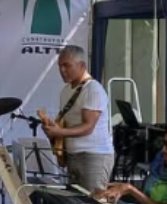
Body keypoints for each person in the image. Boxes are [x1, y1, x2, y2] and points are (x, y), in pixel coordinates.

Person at [42, 45, 115, 193]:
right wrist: (53, 130)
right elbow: (67, 124)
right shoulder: (65, 91)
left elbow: (88, 127)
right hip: (73, 155)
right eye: (60, 66)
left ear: (82, 65)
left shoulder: (92, 89)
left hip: (94, 155)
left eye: (67, 66)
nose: (62, 70)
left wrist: (59, 132)